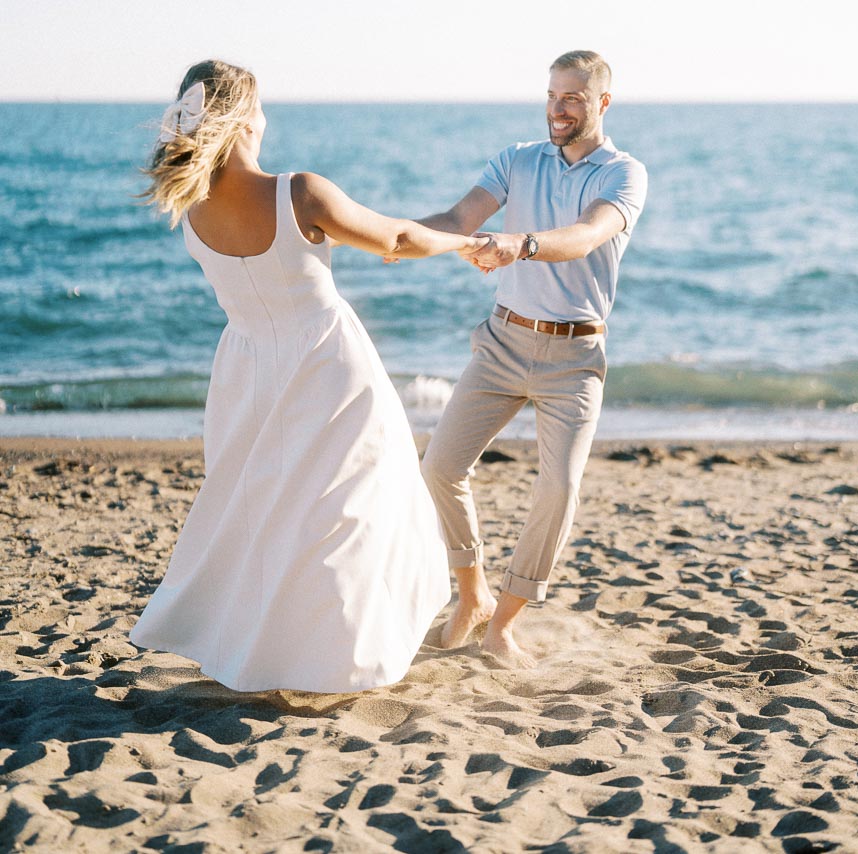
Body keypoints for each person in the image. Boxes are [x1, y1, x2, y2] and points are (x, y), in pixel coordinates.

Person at [130, 59, 489, 693]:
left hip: (245, 369)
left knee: (271, 510)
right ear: (243, 116)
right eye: (262, 108)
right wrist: (464, 241)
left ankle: (271, 650)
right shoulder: (299, 192)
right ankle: (344, 653)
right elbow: (398, 239)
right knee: (351, 507)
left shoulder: (191, 207)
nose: (267, 120)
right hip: (327, 365)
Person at [419, 49, 648, 668]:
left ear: (602, 102)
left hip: (575, 356)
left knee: (561, 486)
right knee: (440, 467)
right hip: (502, 342)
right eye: (552, 95)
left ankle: (506, 624)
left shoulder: (623, 173)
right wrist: (389, 237)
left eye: (572, 97)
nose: (558, 108)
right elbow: (457, 218)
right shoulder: (517, 160)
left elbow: (585, 236)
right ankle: (472, 597)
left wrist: (517, 245)